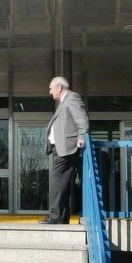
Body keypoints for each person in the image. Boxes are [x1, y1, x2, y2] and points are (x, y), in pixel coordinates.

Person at [40, 76, 88, 225]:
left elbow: (82, 119)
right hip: (61, 149)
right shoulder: (64, 101)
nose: (50, 92)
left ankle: (56, 217)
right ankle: (61, 217)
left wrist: (82, 136)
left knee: (57, 182)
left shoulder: (72, 98)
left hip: (68, 148)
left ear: (59, 87)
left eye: (51, 88)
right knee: (62, 184)